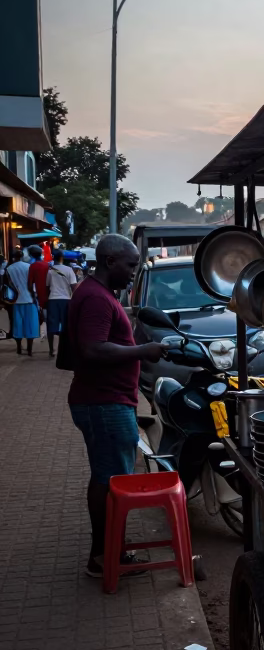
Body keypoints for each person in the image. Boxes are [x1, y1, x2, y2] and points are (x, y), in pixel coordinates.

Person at [67, 234, 165, 578]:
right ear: (110, 261)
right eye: (130, 265)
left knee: (107, 478)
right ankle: (104, 557)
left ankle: (108, 550)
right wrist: (143, 351)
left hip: (106, 401)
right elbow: (94, 349)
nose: (133, 273)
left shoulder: (100, 294)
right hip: (103, 403)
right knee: (110, 480)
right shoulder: (95, 297)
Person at [5, 249, 40, 355]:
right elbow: (32, 283)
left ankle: (19, 347)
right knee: (31, 325)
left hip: (16, 301)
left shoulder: (9, 268)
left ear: (13, 257)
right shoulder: (28, 267)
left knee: (18, 325)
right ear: (22, 256)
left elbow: (7, 284)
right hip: (29, 299)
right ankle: (29, 349)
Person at [45, 248, 78, 358]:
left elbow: (47, 287)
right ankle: (65, 350)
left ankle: (51, 350)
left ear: (54, 258)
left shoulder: (50, 271)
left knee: (51, 326)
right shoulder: (69, 270)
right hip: (66, 300)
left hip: (53, 299)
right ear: (62, 258)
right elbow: (74, 287)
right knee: (66, 326)